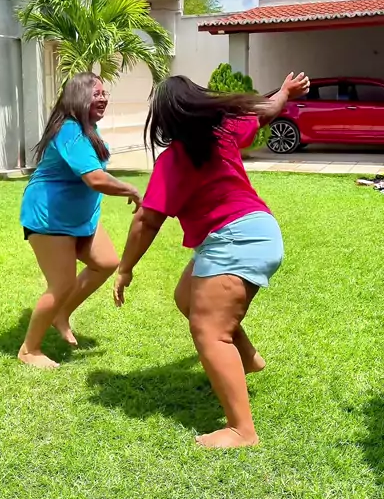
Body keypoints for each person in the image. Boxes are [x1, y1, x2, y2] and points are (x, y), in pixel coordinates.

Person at [113, 71, 310, 449]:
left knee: (209, 330)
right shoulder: (225, 132)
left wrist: (125, 268)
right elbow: (267, 111)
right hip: (251, 231)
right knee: (186, 297)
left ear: (165, 121)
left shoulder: (175, 159)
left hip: (236, 238)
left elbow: (147, 221)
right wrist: (285, 90)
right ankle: (246, 359)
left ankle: (241, 430)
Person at [19, 71, 141, 369]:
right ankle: (29, 350)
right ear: (77, 98)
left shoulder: (88, 130)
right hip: (50, 218)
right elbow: (95, 178)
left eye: (104, 93)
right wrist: (131, 189)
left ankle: (61, 314)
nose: (103, 98)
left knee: (106, 262)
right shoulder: (70, 131)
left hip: (80, 217)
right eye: (96, 93)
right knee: (61, 284)